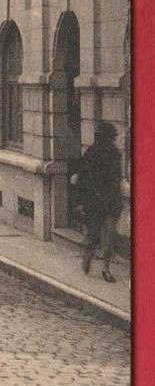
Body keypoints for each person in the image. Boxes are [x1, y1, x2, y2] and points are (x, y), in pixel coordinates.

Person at [72, 121, 123, 282]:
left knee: (109, 237)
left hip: (111, 202)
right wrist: (80, 202)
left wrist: (118, 202)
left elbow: (116, 180)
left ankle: (106, 269)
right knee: (93, 236)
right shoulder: (90, 154)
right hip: (94, 202)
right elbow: (81, 180)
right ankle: (87, 255)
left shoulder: (115, 155)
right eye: (108, 138)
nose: (110, 142)